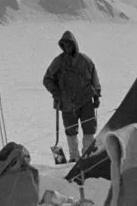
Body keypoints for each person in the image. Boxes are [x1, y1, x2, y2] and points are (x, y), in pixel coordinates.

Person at [43, 30, 101, 162]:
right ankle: (74, 157)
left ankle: (87, 155)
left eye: (69, 45)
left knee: (89, 128)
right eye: (65, 46)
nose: (67, 48)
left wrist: (97, 95)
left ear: (74, 45)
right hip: (67, 102)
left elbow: (94, 78)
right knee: (70, 130)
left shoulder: (85, 60)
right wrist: (57, 93)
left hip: (86, 99)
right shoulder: (58, 62)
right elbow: (47, 79)